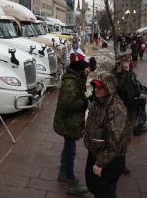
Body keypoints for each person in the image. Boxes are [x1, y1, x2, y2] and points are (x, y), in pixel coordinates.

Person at [84, 72, 131, 198]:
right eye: (96, 87)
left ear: (108, 88)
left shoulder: (115, 108)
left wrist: (100, 163)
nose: (97, 90)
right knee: (93, 185)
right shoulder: (99, 101)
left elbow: (115, 141)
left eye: (101, 87)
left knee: (104, 190)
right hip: (96, 151)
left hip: (109, 159)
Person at [54, 52, 91, 195]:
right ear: (80, 70)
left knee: (69, 148)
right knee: (71, 151)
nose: (88, 72)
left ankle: (63, 173)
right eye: (86, 70)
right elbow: (67, 103)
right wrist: (85, 103)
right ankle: (71, 182)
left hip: (70, 122)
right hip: (67, 123)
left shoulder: (76, 79)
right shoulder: (70, 83)